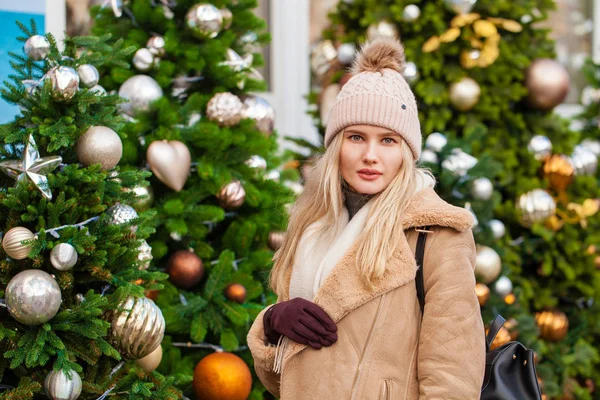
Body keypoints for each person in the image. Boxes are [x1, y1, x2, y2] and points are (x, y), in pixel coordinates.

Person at [248, 37, 486, 399]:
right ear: (336, 146)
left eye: (388, 140)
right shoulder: (313, 227)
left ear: (406, 152)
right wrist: (271, 323)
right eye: (356, 137)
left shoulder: (434, 234)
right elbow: (284, 381)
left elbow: (453, 379)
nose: (370, 155)